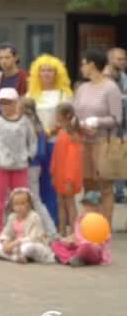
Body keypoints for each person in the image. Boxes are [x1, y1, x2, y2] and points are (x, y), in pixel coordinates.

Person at [73, 49, 122, 225]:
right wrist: (78, 124)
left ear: (92, 64)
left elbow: (117, 118)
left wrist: (97, 122)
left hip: (104, 143)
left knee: (105, 187)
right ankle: (90, 224)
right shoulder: (83, 88)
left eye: (84, 63)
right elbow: (75, 113)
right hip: (85, 142)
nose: (82, 67)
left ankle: (105, 226)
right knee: (88, 184)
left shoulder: (110, 88)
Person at [26, 54, 73, 226]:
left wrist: (50, 131)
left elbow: (69, 119)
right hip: (36, 143)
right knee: (35, 182)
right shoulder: (31, 93)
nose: (46, 74)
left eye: (50, 70)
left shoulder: (63, 94)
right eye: (43, 70)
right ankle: (37, 220)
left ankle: (55, 220)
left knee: (53, 181)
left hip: (56, 143)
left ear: (57, 73)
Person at [0, 87, 37, 238]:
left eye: (9, 102)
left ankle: (21, 230)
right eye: (2, 103)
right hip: (0, 165)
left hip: (20, 166)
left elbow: (32, 141)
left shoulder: (25, 122)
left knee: (21, 201)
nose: (5, 106)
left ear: (16, 103)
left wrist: (29, 156)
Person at [20, 98, 58, 239]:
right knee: (33, 198)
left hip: (30, 165)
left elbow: (37, 150)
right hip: (34, 165)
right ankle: (42, 228)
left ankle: (50, 230)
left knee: (34, 198)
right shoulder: (38, 125)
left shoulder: (28, 126)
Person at [0, 188, 55, 264]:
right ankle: (16, 257)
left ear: (29, 204)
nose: (19, 207)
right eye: (16, 204)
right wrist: (5, 243)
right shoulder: (12, 217)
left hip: (33, 244)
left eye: (23, 203)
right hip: (15, 246)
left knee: (28, 247)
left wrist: (14, 243)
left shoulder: (34, 217)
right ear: (12, 206)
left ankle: (11, 256)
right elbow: (6, 233)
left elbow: (34, 238)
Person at [51, 191, 111, 266]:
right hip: (78, 246)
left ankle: (72, 258)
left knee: (86, 246)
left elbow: (104, 241)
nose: (87, 207)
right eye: (85, 204)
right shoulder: (80, 218)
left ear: (98, 206)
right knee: (55, 244)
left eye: (90, 205)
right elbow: (76, 234)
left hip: (92, 249)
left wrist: (104, 257)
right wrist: (67, 240)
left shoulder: (101, 220)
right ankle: (72, 259)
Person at [51, 102, 83, 237]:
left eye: (57, 114)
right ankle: (62, 231)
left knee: (69, 203)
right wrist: (52, 172)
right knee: (60, 203)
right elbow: (56, 155)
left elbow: (73, 160)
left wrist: (69, 179)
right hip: (59, 172)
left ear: (65, 116)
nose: (55, 116)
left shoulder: (73, 136)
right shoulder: (61, 132)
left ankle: (73, 232)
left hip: (67, 175)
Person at [104, 48, 127, 203]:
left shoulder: (124, 77)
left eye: (124, 59)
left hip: (123, 124)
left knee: (121, 159)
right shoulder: (104, 78)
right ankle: (108, 192)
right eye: (119, 59)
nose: (123, 62)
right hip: (108, 126)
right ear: (110, 60)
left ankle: (119, 192)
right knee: (109, 161)